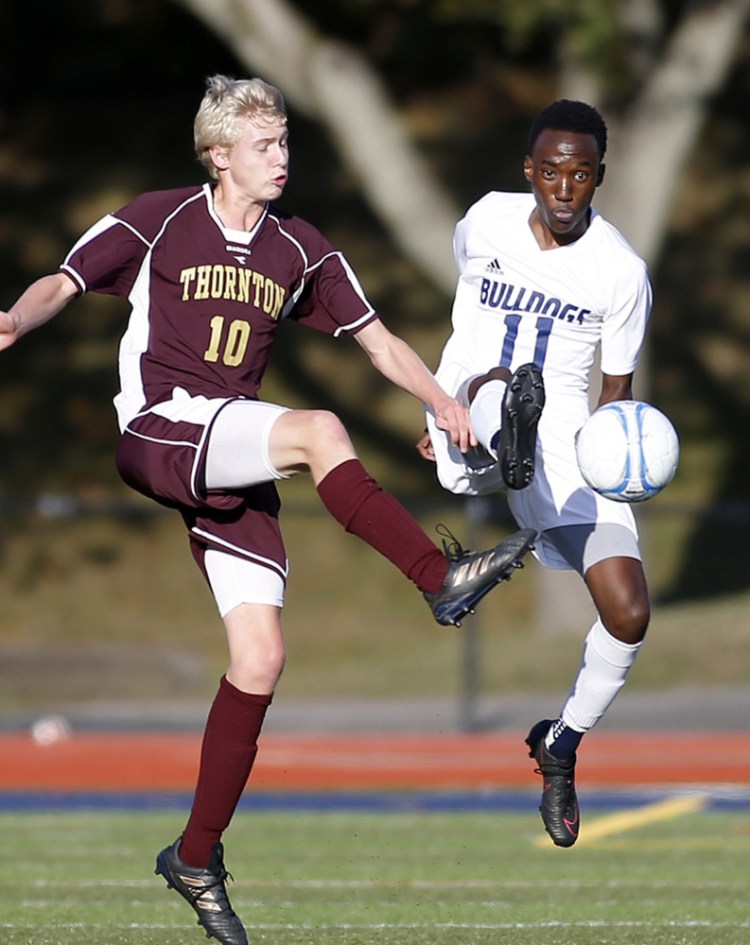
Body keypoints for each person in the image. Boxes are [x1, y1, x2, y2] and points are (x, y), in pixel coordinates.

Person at [0, 75, 537, 945]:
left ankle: (196, 854)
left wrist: (442, 400)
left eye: (285, 142)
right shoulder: (160, 218)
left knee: (260, 657)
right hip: (160, 425)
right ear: (218, 156)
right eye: (264, 145)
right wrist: (15, 322)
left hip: (231, 454)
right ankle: (438, 576)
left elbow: (377, 339)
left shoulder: (301, 249)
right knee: (320, 427)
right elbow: (63, 280)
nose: (282, 157)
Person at [417, 99, 652, 848]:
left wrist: (630, 464)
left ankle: (560, 745)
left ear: (599, 178)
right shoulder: (485, 219)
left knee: (629, 611)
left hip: (566, 452)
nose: (563, 186)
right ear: (529, 171)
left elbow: (616, 398)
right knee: (502, 381)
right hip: (472, 410)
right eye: (550, 170)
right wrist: (438, 404)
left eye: (580, 174)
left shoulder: (621, 271)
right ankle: (495, 434)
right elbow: (465, 315)